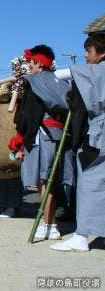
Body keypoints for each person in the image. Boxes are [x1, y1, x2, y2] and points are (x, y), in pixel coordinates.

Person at [10, 45, 74, 239]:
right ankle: (50, 222)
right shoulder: (62, 83)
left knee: (44, 181)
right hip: (59, 135)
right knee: (50, 180)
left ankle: (50, 224)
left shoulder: (34, 82)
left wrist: (21, 133)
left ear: (38, 63)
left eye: (30, 62)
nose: (28, 66)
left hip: (41, 133)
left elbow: (29, 113)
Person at [51, 30, 105, 251]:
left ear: (102, 53)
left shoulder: (95, 73)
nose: (85, 55)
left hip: (98, 136)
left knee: (90, 184)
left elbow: (65, 77)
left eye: (88, 51)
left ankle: (82, 235)